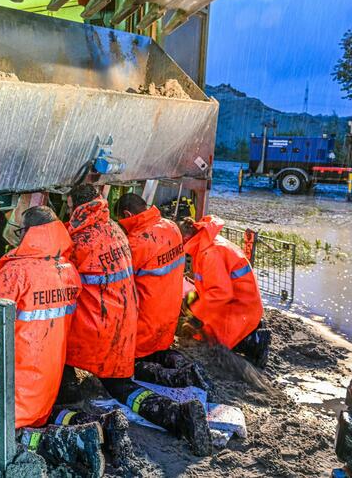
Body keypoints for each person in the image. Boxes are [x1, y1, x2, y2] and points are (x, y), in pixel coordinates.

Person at [65, 185, 211, 456]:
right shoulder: (116, 231)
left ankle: (175, 415)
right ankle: (178, 396)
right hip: (127, 319)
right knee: (125, 376)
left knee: (115, 385)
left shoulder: (78, 242)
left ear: (75, 209)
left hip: (100, 328)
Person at [0, 205, 107, 475]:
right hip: (49, 376)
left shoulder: (16, 272)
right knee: (38, 417)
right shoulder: (67, 269)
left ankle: (76, 441)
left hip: (18, 380)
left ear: (28, 234)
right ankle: (88, 428)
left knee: (10, 434)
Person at [115, 193, 207, 389]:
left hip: (146, 321)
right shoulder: (171, 226)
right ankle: (185, 366)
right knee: (160, 351)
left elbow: (120, 284)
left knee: (136, 365)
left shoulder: (137, 243)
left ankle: (178, 379)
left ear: (127, 214)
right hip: (169, 317)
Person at [179, 215, 270, 368]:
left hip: (240, 307)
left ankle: (255, 340)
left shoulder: (209, 253)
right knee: (193, 308)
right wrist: (193, 302)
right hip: (237, 301)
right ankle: (250, 332)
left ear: (185, 239)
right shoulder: (205, 244)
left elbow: (220, 293)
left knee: (214, 344)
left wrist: (197, 316)